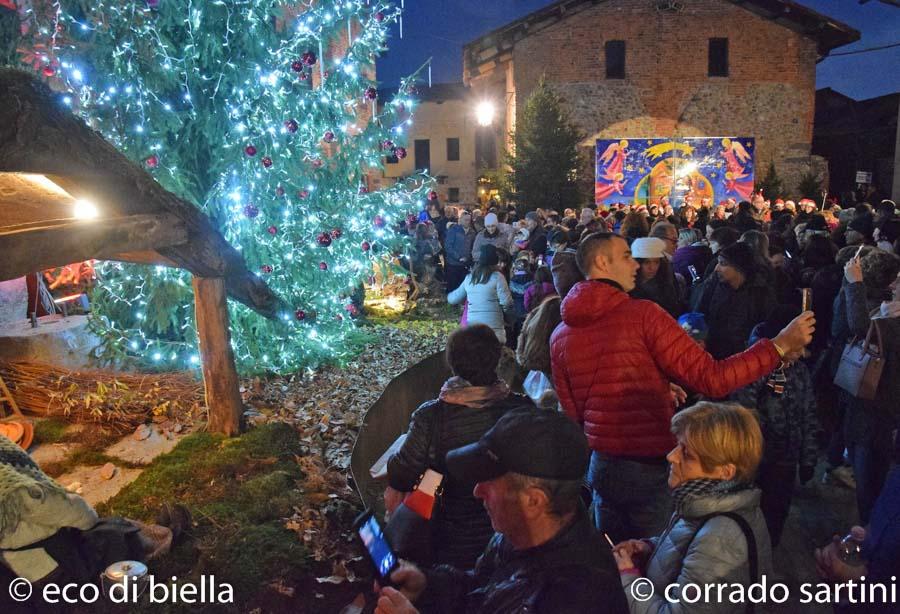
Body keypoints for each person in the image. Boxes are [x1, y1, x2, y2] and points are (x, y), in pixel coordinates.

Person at [550, 233, 814, 542]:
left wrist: (658, 384)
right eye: (625, 256)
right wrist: (778, 347)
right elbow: (712, 379)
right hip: (650, 468)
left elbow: (575, 412)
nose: (635, 264)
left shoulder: (560, 334)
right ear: (601, 261)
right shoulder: (643, 315)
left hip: (603, 467)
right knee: (656, 562)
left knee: (615, 560)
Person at [375, 410, 628, 614]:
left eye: (489, 481)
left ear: (533, 501)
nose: (476, 491)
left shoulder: (579, 596)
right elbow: (481, 593)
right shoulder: (516, 536)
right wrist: (426, 586)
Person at [385, 325, 536, 569]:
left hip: (449, 537)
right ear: (496, 358)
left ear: (452, 363)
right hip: (514, 532)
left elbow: (402, 475)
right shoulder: (524, 409)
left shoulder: (431, 416)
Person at [613, 403, 773, 614]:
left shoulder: (721, 536)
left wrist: (628, 577)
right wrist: (649, 549)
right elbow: (690, 549)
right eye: (678, 445)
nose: (671, 456)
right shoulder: (707, 503)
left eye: (686, 454)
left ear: (725, 472)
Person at [0, 434, 186, 591]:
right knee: (115, 531)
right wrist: (74, 503)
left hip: (19, 569)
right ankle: (162, 544)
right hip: (54, 567)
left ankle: (155, 535)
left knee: (110, 527)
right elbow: (77, 515)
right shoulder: (12, 489)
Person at [731, 310, 818, 547]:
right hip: (757, 461)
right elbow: (743, 413)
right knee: (748, 514)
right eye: (797, 347)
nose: (801, 354)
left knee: (776, 514)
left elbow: (808, 414)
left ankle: (767, 558)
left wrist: (808, 457)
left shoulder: (800, 372)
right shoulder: (755, 370)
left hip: (786, 461)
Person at [833, 250, 900, 522]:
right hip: (870, 403)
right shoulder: (886, 309)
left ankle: (870, 536)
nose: (895, 284)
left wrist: (855, 285)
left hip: (880, 407)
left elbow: (860, 328)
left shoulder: (892, 319)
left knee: (871, 476)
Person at [692, 242, 777, 360]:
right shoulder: (714, 285)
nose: (717, 268)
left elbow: (765, 330)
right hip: (712, 356)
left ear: (739, 268)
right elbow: (699, 313)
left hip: (747, 360)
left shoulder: (761, 293)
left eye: (723, 264)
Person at [448, 245, 513, 343]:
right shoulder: (498, 277)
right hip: (494, 332)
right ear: (495, 262)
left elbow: (453, 299)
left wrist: (448, 296)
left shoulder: (470, 278)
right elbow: (507, 302)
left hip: (473, 331)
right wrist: (507, 314)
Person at [630, 237, 683, 317]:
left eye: (656, 262)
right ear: (637, 263)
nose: (652, 267)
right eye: (647, 262)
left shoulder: (665, 283)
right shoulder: (628, 287)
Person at [443, 211, 477, 293]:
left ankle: (461, 303)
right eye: (465, 220)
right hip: (453, 263)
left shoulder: (472, 233)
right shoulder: (453, 230)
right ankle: (451, 303)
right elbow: (448, 246)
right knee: (452, 285)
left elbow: (473, 247)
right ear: (460, 220)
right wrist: (458, 257)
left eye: (469, 220)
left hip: (465, 264)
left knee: (462, 285)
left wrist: (469, 258)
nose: (467, 222)